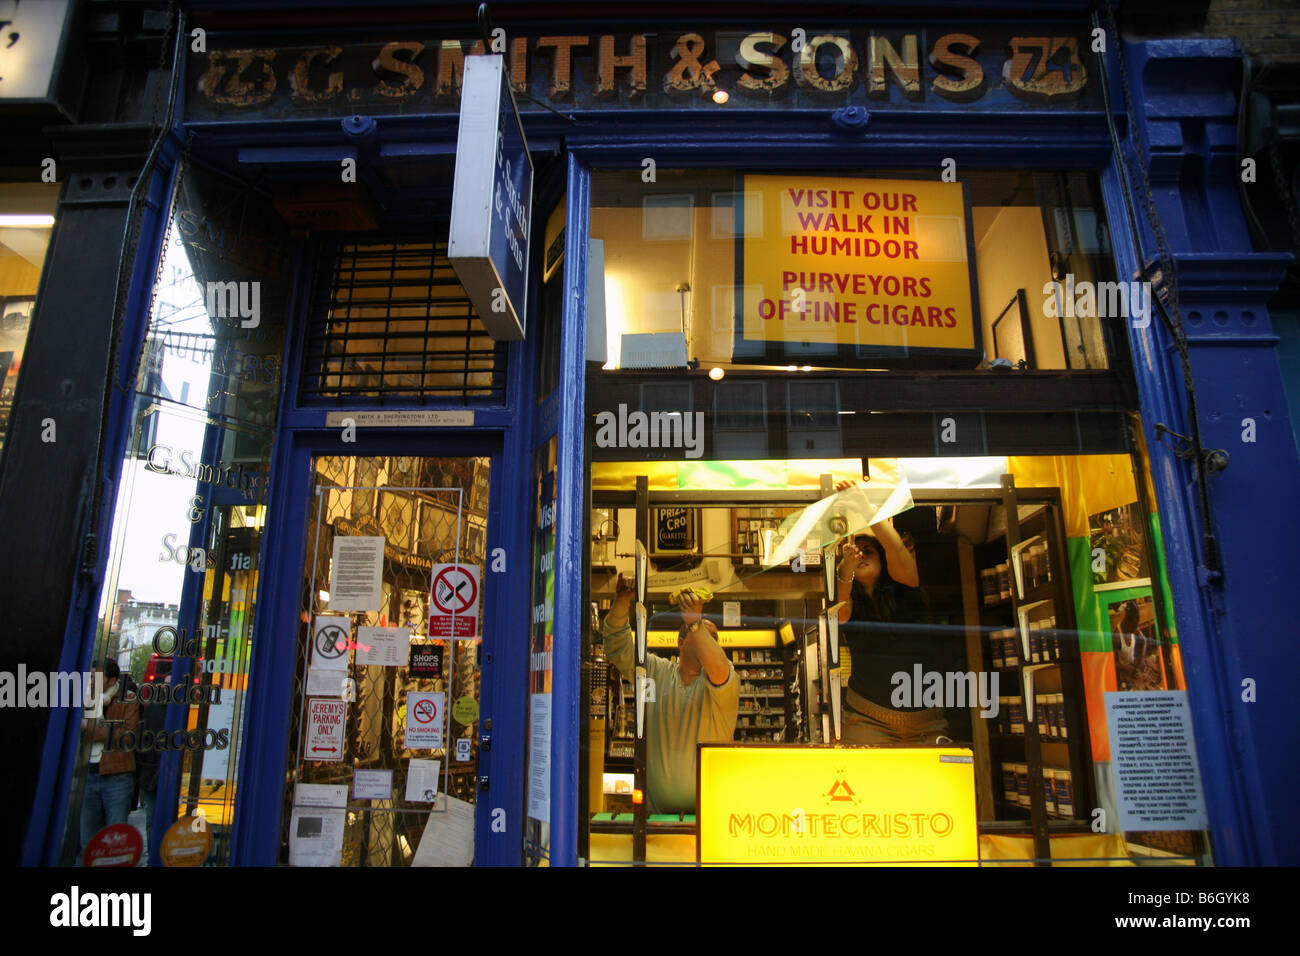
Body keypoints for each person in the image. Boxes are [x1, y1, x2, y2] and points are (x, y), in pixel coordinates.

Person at [602, 577, 738, 814]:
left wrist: (695, 624)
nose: (712, 645)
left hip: (710, 818)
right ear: (681, 643)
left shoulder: (723, 684)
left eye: (715, 640)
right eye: (706, 636)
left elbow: (718, 668)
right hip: (655, 819)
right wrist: (623, 599)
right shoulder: (655, 674)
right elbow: (617, 645)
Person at [833, 487, 952, 745]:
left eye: (869, 551)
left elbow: (895, 548)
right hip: (866, 718)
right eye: (856, 551)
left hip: (926, 722)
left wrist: (864, 507)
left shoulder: (906, 588)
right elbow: (840, 603)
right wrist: (846, 565)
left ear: (882, 559)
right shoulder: (850, 605)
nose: (861, 555)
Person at [79, 660, 140, 852]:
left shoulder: (128, 699)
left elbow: (127, 737)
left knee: (115, 842)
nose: (91, 681)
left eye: (96, 677)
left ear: (112, 680)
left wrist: (88, 727)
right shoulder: (85, 699)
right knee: (88, 842)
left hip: (117, 776)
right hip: (88, 775)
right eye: (90, 676)